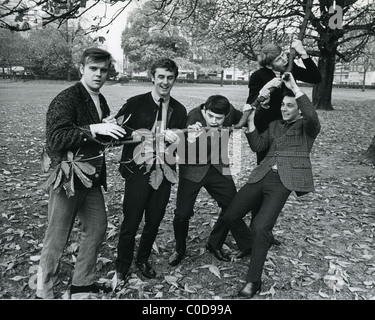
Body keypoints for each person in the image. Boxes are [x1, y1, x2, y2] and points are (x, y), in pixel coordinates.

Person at [36, 47, 126, 299]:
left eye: (104, 70)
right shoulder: (67, 98)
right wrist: (95, 128)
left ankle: (81, 284)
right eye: (93, 69)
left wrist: (112, 131)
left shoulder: (100, 99)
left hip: (91, 179)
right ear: (82, 69)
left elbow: (97, 139)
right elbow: (56, 139)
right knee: (57, 235)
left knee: (97, 228)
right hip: (68, 180)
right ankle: (43, 290)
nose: (99, 74)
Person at [223, 72, 321, 299]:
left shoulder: (308, 128)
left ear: (298, 109)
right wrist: (250, 124)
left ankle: (253, 281)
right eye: (283, 105)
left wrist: (294, 86)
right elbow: (258, 146)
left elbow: (312, 116)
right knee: (231, 216)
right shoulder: (276, 125)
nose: (284, 109)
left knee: (260, 227)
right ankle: (253, 245)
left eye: (289, 106)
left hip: (282, 182)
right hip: (261, 175)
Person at [243, 40, 321, 247]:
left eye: (282, 55)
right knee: (262, 183)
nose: (284, 59)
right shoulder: (258, 77)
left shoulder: (290, 70)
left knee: (279, 187)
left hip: (288, 136)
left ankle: (265, 229)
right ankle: (255, 232)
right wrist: (264, 96)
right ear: (269, 65)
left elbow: (316, 78)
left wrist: (303, 53)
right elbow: (251, 104)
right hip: (267, 135)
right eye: (278, 59)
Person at [114, 58, 187, 282]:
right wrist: (134, 134)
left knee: (154, 221)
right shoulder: (135, 103)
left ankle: (142, 259)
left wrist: (177, 140)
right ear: (152, 77)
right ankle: (122, 266)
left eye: (170, 77)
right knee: (131, 221)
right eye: (161, 77)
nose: (165, 82)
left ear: (175, 79)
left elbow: (182, 146)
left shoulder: (179, 109)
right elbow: (116, 131)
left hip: (164, 171)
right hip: (138, 170)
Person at [168, 95, 243, 266]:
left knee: (233, 205)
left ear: (226, 114)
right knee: (182, 213)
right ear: (204, 111)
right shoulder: (193, 119)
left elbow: (243, 117)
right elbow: (179, 149)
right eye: (211, 116)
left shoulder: (229, 112)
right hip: (193, 168)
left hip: (218, 166)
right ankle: (179, 248)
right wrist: (190, 138)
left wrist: (256, 106)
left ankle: (214, 243)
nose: (215, 121)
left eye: (219, 118)